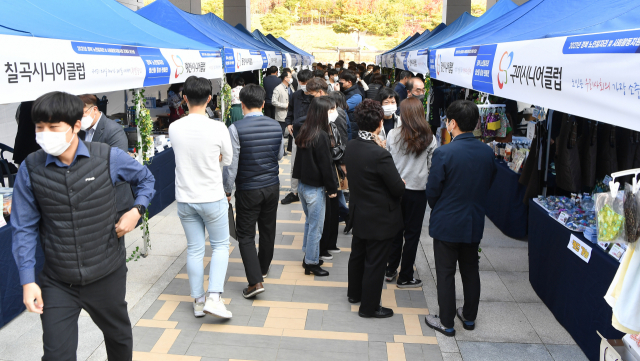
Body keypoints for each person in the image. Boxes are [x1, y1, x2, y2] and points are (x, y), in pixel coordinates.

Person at [12, 91, 156, 360]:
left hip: (106, 273)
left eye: (53, 127)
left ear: (76, 125)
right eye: (39, 127)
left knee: (119, 340)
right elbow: (24, 227)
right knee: (56, 354)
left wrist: (137, 210)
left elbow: (146, 179)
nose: (44, 134)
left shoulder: (107, 157)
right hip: (58, 281)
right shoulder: (30, 169)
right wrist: (27, 280)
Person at [424, 100, 497, 336]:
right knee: (470, 269)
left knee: (445, 272)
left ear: (452, 123)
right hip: (473, 219)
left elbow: (433, 189)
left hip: (447, 220)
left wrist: (440, 207)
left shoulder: (444, 152)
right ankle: (469, 316)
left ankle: (446, 322)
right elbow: (489, 182)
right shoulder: (487, 151)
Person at [169, 76, 233, 319]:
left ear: (184, 98)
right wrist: (215, 158)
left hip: (185, 198)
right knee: (220, 246)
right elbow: (228, 159)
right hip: (212, 196)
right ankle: (214, 297)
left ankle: (198, 301)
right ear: (209, 99)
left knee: (195, 249)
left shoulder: (175, 127)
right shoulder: (218, 127)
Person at [223, 84, 285, 299]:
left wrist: (227, 190)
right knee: (268, 230)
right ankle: (263, 269)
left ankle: (255, 281)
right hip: (272, 186)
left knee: (246, 235)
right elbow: (279, 155)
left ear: (242, 105)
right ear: (263, 103)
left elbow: (231, 164)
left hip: (248, 188)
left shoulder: (235, 128)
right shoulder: (276, 126)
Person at [345, 99, 405, 318]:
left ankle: (355, 293)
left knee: (358, 254)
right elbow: (397, 188)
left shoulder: (351, 145)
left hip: (359, 210)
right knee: (376, 262)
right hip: (380, 216)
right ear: (380, 123)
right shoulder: (380, 154)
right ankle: (369, 307)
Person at [385, 97, 437, 288]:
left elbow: (387, 163)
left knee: (395, 232)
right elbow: (432, 166)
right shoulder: (429, 137)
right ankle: (405, 275)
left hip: (395, 190)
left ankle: (390, 269)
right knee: (412, 234)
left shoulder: (392, 135)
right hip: (418, 191)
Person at [292, 96, 338, 276]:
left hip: (303, 185)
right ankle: (311, 262)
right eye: (331, 110)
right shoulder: (321, 135)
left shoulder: (305, 130)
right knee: (316, 227)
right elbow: (326, 165)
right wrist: (332, 188)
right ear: (322, 113)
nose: (334, 113)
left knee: (310, 223)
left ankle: (309, 255)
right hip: (315, 189)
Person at [77, 94, 135, 226]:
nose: (78, 119)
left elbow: (118, 166)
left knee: (113, 242)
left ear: (94, 110)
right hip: (88, 199)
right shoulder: (80, 130)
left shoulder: (113, 130)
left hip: (113, 199)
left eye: (81, 114)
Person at [281, 69, 313, 205]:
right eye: (301, 82)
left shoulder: (317, 97)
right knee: (294, 163)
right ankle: (294, 192)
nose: (303, 84)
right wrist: (289, 123)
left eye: (306, 82)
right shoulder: (295, 95)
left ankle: (309, 189)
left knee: (311, 164)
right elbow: (290, 111)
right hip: (297, 135)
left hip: (312, 137)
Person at [339, 70, 363, 136]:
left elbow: (341, 107)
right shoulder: (345, 91)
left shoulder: (356, 96)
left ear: (349, 82)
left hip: (351, 127)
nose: (339, 82)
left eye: (341, 80)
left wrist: (337, 93)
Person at [272, 69, 294, 138]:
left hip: (291, 115)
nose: (291, 79)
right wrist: (285, 105)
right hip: (282, 116)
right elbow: (273, 101)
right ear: (285, 78)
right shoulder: (278, 88)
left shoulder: (291, 87)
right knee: (281, 134)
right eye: (290, 77)